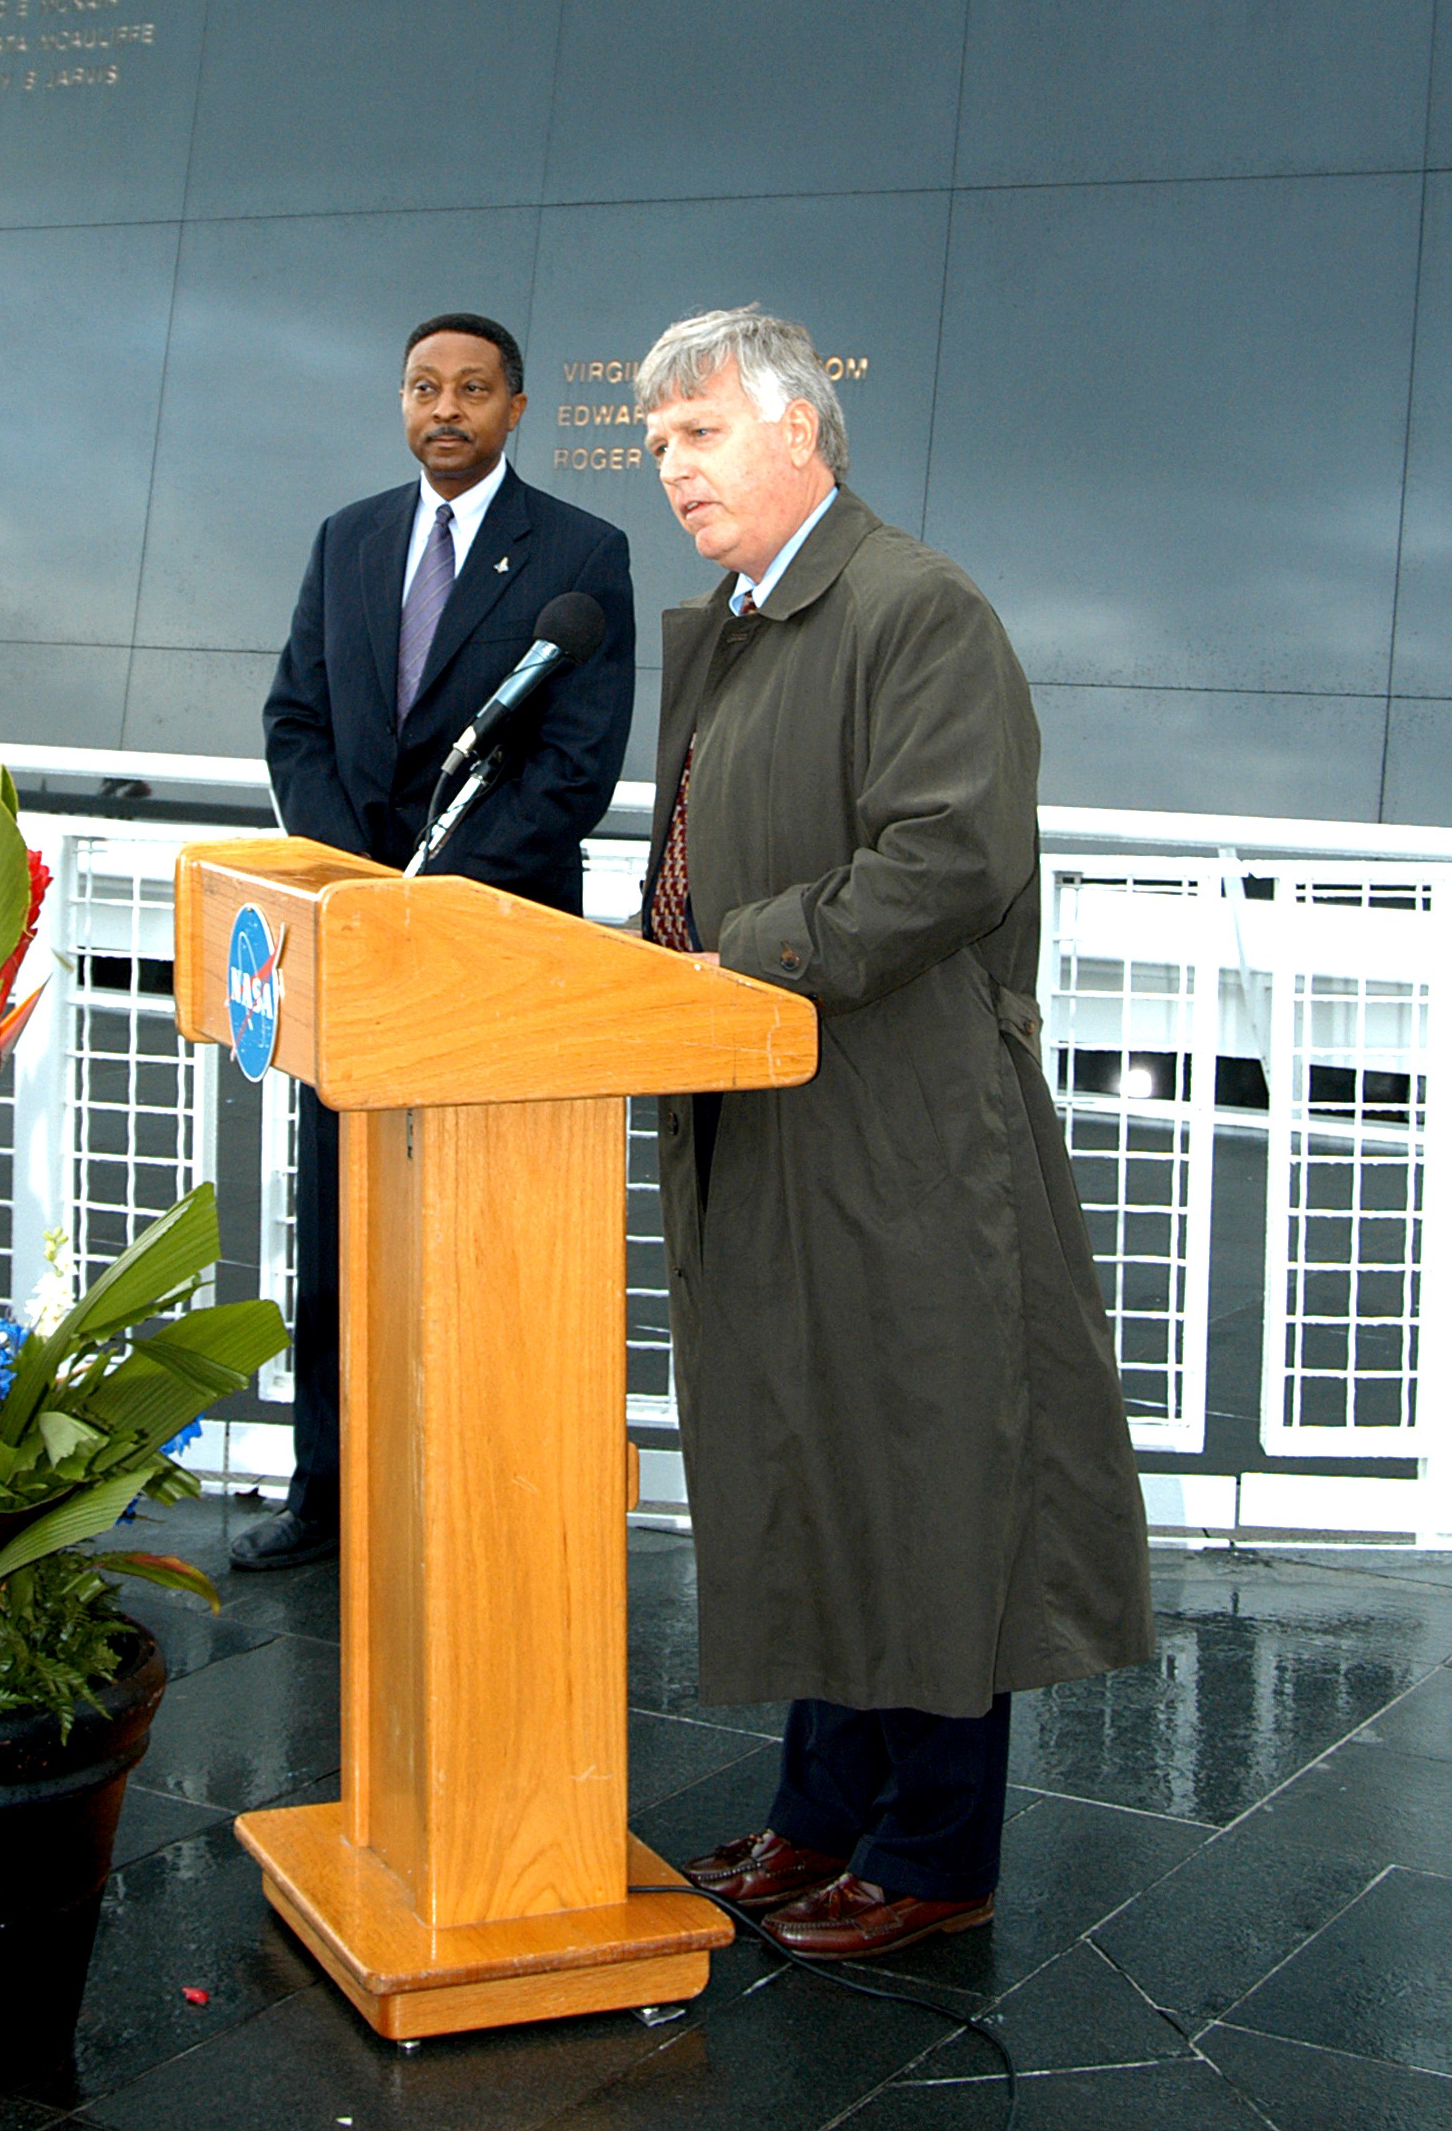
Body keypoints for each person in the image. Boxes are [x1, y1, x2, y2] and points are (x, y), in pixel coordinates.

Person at [636, 304, 1151, 1959]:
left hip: (903, 1130)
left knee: (923, 1482)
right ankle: (817, 1817)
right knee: (806, 1463)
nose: (673, 469)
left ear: (800, 431)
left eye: (699, 432)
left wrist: (737, 961)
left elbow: (949, 858)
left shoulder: (917, 610)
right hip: (768, 1118)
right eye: (657, 445)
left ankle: (934, 1854)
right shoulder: (736, 627)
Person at [247, 312, 637, 1569]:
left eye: (473, 389)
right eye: (424, 387)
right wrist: (356, 884)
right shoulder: (347, 538)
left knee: (482, 1241)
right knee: (340, 1230)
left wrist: (429, 893)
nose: (445, 408)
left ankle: (484, 1508)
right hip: (350, 952)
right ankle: (328, 1497)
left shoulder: (584, 554)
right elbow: (295, 719)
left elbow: (571, 773)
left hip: (491, 951)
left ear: (517, 407)